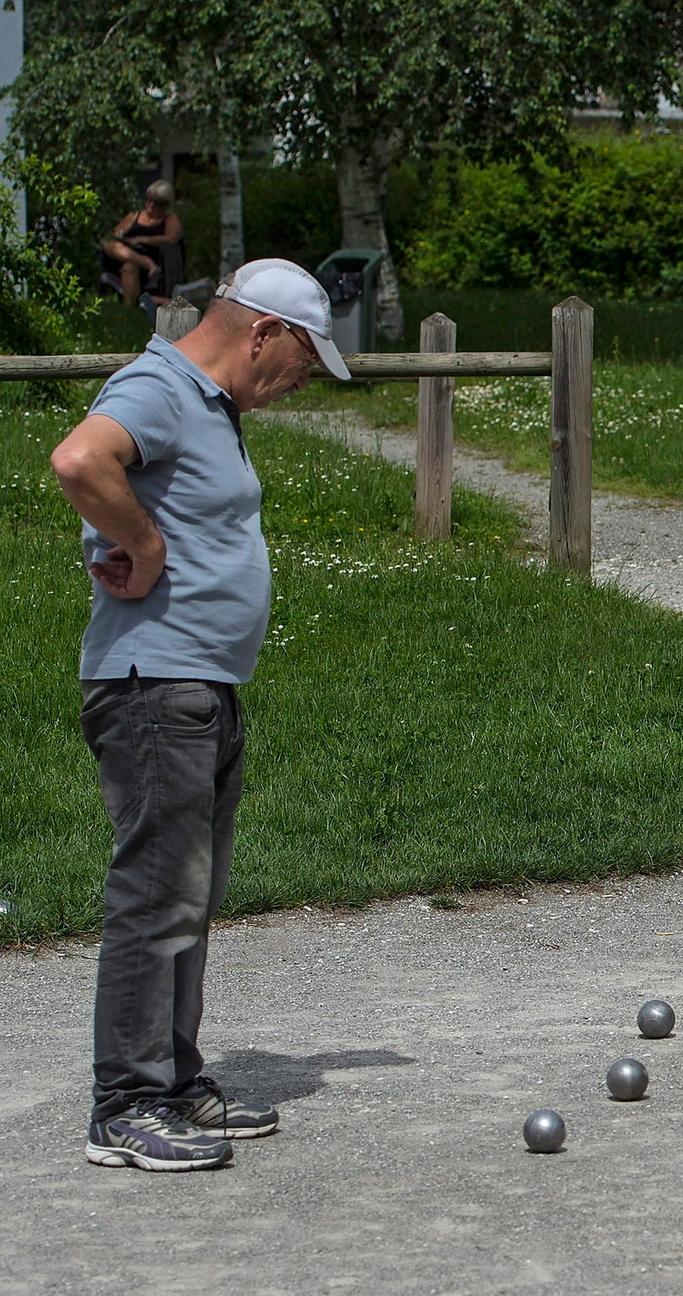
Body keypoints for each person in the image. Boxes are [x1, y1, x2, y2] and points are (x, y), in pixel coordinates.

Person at [50, 259, 351, 1171]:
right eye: (302, 359)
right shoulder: (160, 386)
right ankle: (127, 1105)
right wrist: (140, 544)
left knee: (190, 895)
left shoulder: (206, 406)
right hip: (153, 685)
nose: (301, 380)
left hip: (198, 685)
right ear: (262, 332)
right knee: (155, 896)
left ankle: (173, 1082)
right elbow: (78, 457)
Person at [100, 179, 183, 306]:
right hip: (121, 257)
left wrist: (142, 240)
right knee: (108, 243)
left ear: (166, 205)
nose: (151, 206)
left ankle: (128, 308)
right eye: (149, 200)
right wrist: (124, 237)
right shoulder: (135, 215)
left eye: (157, 203)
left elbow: (172, 239)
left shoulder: (170, 219)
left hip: (147, 269)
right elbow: (115, 233)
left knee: (130, 266)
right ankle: (147, 264)